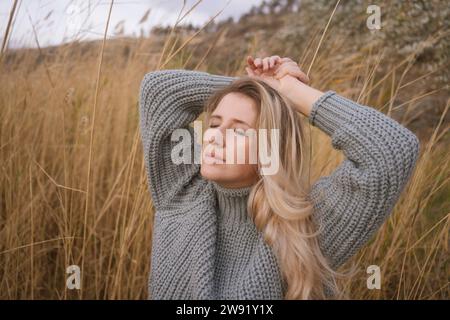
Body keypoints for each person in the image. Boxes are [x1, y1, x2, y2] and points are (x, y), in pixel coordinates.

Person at [138, 55, 420, 299]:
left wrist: (291, 92)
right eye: (214, 124)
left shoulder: (304, 227)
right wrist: (262, 86)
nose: (215, 138)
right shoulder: (182, 191)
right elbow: (159, 91)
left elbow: (391, 150)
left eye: (238, 131)